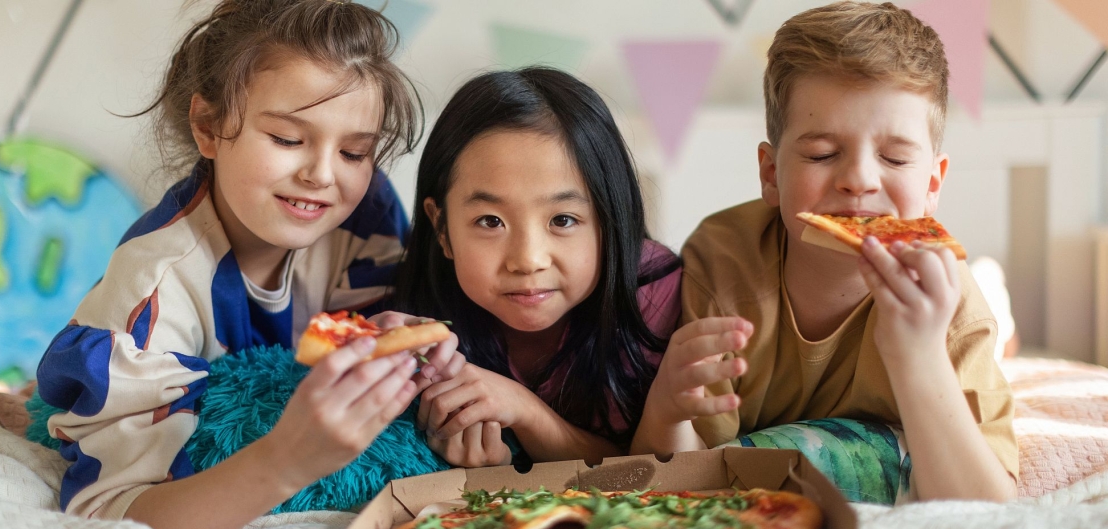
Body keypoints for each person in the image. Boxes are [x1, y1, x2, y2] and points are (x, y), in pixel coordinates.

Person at [34, 0, 463, 529]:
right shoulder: (152, 292)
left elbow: (340, 342)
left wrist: (394, 350)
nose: (323, 175)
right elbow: (106, 515)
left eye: (355, 151)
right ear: (208, 127)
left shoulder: (365, 213)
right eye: (287, 139)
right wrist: (286, 461)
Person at [633, 1, 1018, 501]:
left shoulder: (954, 309)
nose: (858, 180)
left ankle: (998, 296)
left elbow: (988, 512)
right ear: (771, 174)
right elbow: (689, 475)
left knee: (992, 317)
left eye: (894, 157)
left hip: (958, 310)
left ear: (932, 184)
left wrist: (919, 354)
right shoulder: (722, 262)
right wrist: (666, 410)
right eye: (822, 154)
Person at [394, 67, 682, 468]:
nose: (528, 260)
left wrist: (526, 412)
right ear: (442, 229)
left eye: (562, 220)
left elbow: (652, 472)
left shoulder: (653, 291)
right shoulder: (414, 324)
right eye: (490, 221)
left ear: (608, 221)